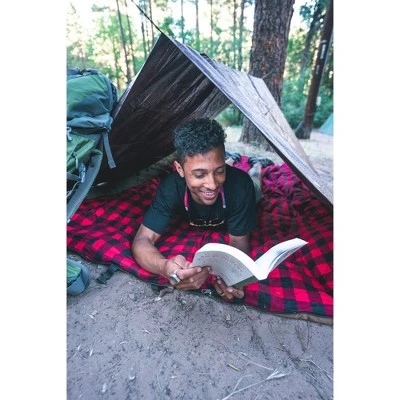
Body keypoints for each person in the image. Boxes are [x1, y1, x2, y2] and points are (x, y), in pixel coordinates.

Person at [131, 118, 273, 301]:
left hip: (250, 187)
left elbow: (239, 241)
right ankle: (231, 159)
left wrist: (230, 278)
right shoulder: (170, 188)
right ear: (180, 169)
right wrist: (165, 267)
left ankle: (257, 164)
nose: (212, 184)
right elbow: (142, 240)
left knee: (255, 181)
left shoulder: (240, 186)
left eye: (220, 171)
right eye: (199, 174)